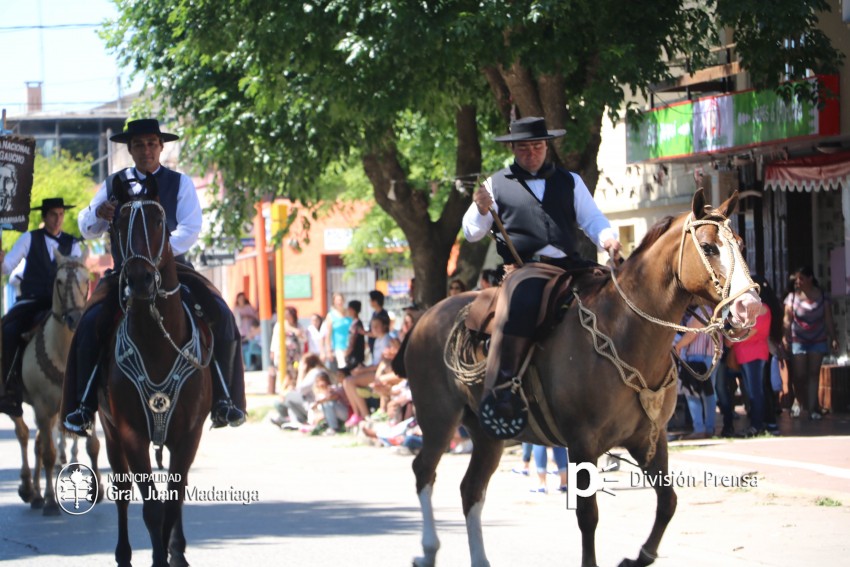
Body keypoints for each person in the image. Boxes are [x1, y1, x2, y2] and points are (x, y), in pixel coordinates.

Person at [62, 118, 246, 435]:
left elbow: (190, 229)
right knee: (89, 324)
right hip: (124, 273)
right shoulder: (112, 184)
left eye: (151, 143)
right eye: (139, 144)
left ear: (160, 146)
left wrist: (155, 257)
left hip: (175, 268)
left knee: (222, 315)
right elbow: (85, 227)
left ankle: (226, 399)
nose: (145, 149)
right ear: (130, 149)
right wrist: (98, 213)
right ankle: (81, 406)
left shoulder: (180, 183)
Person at [462, 116, 621, 438]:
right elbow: (471, 234)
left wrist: (608, 240)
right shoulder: (495, 184)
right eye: (524, 147)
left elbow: (592, 218)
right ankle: (504, 384)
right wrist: (480, 210)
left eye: (537, 146)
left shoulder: (571, 180)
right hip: (526, 269)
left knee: (614, 293)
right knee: (522, 303)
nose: (531, 153)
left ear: (546, 146)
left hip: (570, 264)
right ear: (514, 149)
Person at [0, 198, 82, 416]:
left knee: (89, 328)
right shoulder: (29, 238)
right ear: (44, 217)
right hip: (32, 299)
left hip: (64, 304)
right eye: (53, 215)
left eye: (61, 215)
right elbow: (7, 266)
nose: (58, 219)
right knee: (7, 330)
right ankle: (9, 387)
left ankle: (92, 384)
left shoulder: (73, 243)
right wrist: (1, 261)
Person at [783, 266, 838, 421]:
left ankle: (813, 408)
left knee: (814, 374)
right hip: (798, 340)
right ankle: (799, 402)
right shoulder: (792, 297)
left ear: (810, 278)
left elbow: (828, 318)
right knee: (799, 375)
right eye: (797, 279)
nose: (798, 282)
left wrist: (833, 337)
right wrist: (785, 338)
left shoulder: (822, 296)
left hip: (818, 339)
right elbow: (787, 320)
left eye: (801, 278)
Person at [675, 305, 719, 439]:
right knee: (709, 394)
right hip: (713, 355)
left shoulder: (702, 310)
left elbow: (691, 334)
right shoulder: (720, 310)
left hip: (698, 356)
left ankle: (699, 428)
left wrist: (678, 346)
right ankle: (709, 428)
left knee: (692, 392)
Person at [322, 292, 351, 371]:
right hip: (338, 347)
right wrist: (328, 350)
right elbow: (328, 334)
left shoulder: (349, 313)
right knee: (342, 367)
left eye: (341, 300)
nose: (339, 302)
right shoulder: (331, 315)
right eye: (337, 300)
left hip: (350, 345)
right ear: (334, 302)